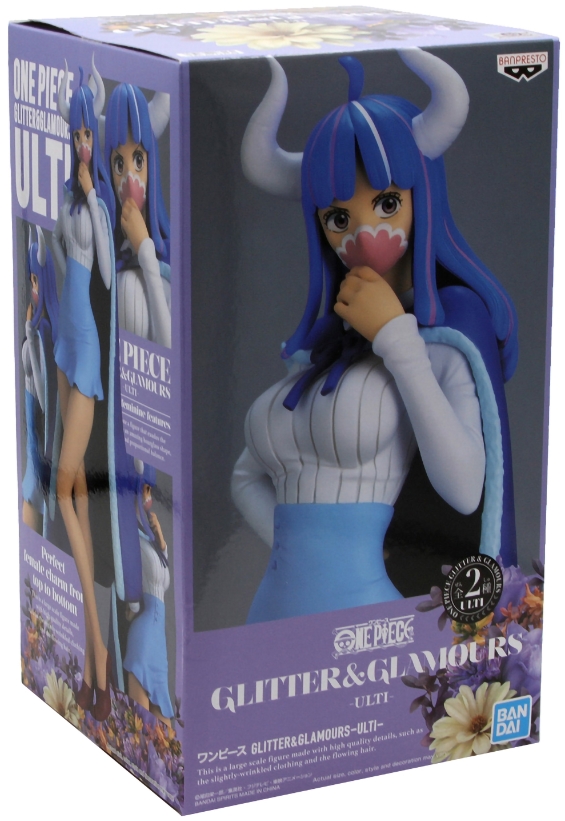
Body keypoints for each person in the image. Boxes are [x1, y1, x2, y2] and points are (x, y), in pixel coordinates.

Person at [232, 51, 518, 623]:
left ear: (421, 195)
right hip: (269, 616)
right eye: (339, 219)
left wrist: (396, 336)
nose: (364, 234)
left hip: (367, 624)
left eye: (387, 204)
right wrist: (307, 556)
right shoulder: (325, 347)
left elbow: (468, 490)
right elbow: (245, 477)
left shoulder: (450, 326)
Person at [54, 59, 141, 721]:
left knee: (63, 485)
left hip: (86, 346)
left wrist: (93, 198)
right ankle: (91, 659)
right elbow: (62, 264)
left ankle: (100, 656)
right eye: (79, 136)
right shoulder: (66, 198)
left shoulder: (97, 202)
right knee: (77, 488)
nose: (85, 145)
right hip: (63, 335)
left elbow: (108, 279)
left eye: (91, 136)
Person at [104, 83, 171, 348]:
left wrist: (145, 250)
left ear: (150, 163)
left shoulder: (169, 257)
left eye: (138, 160)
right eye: (119, 164)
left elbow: (169, 349)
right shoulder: (108, 255)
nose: (130, 178)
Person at [124, 460, 174, 727]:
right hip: (144, 635)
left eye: (150, 490)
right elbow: (131, 574)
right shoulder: (130, 534)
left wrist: (160, 538)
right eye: (146, 489)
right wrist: (132, 608)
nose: (149, 495)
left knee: (166, 731)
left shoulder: (148, 537)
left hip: (159, 643)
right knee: (141, 727)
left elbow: (162, 573)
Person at [21, 225, 59, 535]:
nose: (33, 287)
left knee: (35, 492)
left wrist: (32, 338)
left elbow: (46, 401)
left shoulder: (45, 334)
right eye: (30, 280)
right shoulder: (36, 329)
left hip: (40, 433)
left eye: (37, 280)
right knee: (29, 491)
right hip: (30, 433)